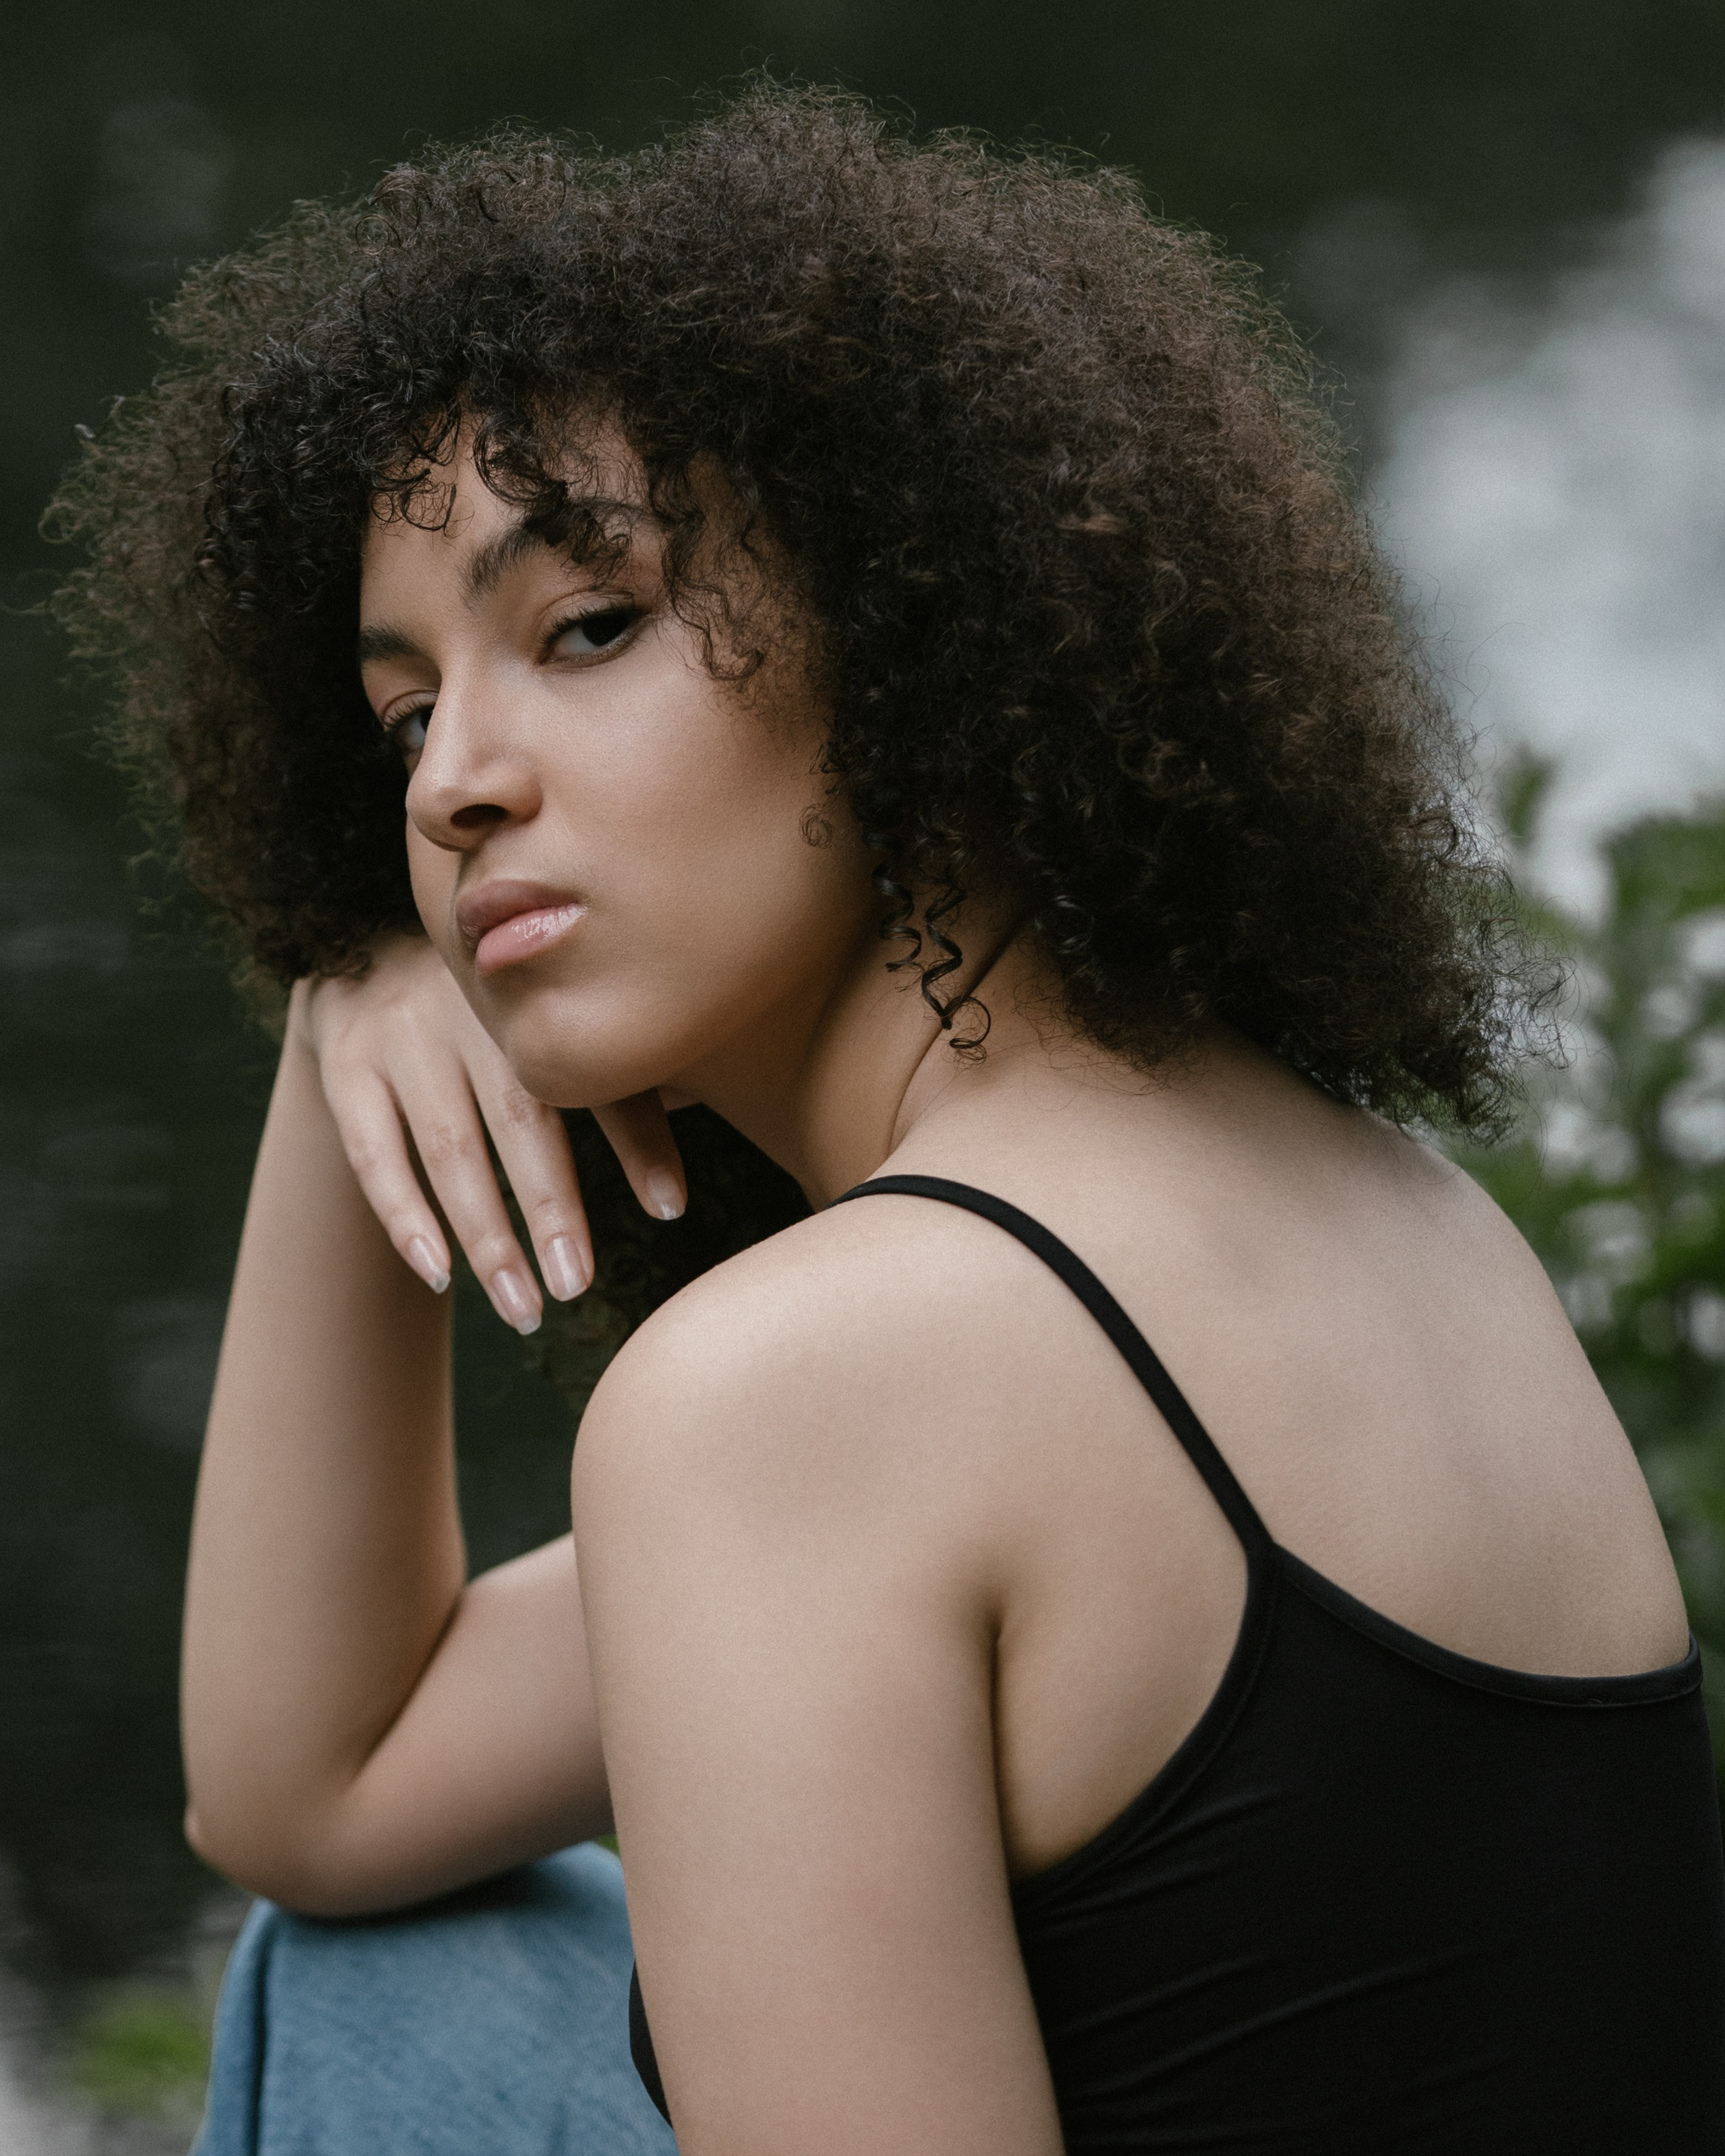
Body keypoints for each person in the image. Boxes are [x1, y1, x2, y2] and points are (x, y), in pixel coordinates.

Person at [50, 84, 1725, 2155]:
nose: (448, 786)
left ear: (926, 626)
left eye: (589, 626)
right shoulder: (1387, 1213)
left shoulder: (817, 1392)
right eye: (403, 716)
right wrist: (342, 1023)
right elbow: (318, 1789)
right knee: (401, 1961)